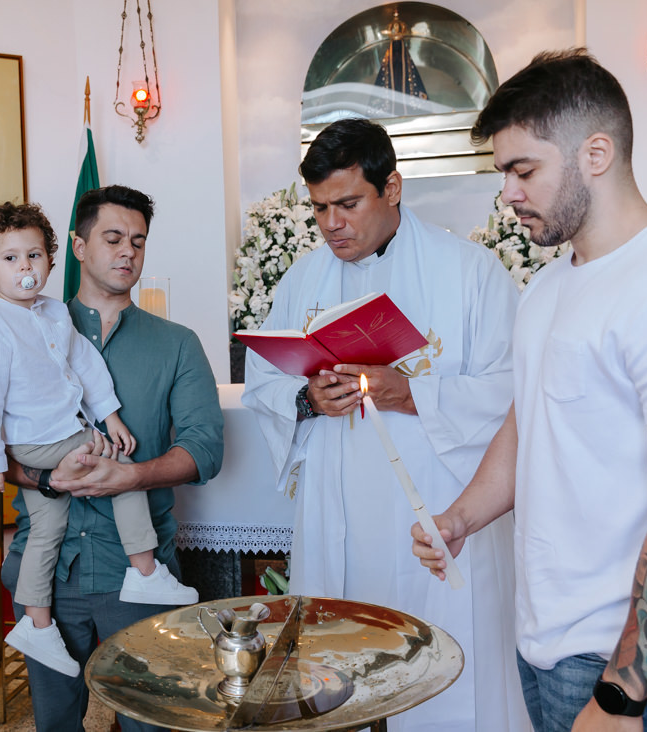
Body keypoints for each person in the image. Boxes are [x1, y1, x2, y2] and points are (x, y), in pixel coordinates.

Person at [412, 49, 647, 731]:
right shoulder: (550, 284)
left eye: (524, 171)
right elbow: (530, 423)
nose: (509, 193)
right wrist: (461, 519)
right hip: (550, 639)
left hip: (639, 664)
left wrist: (622, 694)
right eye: (504, 173)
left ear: (596, 154)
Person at [242, 118, 528, 731]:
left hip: (434, 508)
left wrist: (413, 393)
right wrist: (307, 398)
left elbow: (515, 394)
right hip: (336, 510)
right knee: (340, 665)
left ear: (391, 188)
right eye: (319, 208)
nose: (331, 224)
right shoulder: (303, 279)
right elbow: (263, 381)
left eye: (348, 204)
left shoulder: (469, 272)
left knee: (445, 673)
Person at [0, 185, 224, 732]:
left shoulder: (176, 343)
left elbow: (206, 448)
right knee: (55, 723)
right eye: (114, 238)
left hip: (139, 574)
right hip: (50, 573)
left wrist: (131, 476)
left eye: (138, 242)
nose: (128, 252)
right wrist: (48, 478)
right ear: (78, 246)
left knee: (151, 723)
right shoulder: (16, 329)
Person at [0, 201, 199, 676]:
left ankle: (37, 624)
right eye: (10, 259)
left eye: (33, 256)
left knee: (47, 529)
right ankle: (145, 570)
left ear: (51, 261)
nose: (25, 268)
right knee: (114, 461)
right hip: (38, 439)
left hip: (59, 432)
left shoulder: (53, 312)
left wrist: (110, 414)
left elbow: (86, 365)